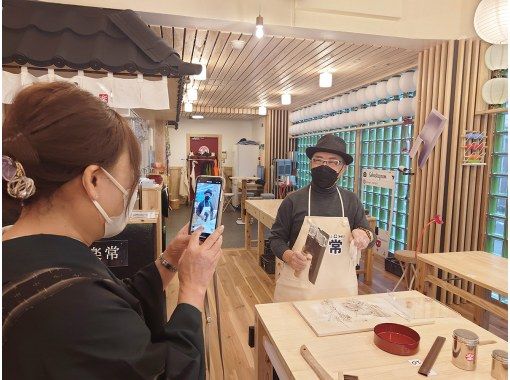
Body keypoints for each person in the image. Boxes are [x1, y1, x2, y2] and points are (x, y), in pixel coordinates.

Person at [2, 82, 223, 379]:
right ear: (93, 180)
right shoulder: (72, 303)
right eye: (129, 180)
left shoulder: (20, 252)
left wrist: (168, 260)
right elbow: (166, 371)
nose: (129, 193)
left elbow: (114, 302)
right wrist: (193, 289)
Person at [269, 133, 375, 301]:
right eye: (318, 160)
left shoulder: (351, 200)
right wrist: (289, 256)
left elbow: (369, 234)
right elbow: (275, 240)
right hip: (299, 290)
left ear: (343, 168)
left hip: (340, 290)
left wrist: (365, 236)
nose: (324, 166)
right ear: (311, 163)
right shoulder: (293, 200)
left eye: (333, 161)